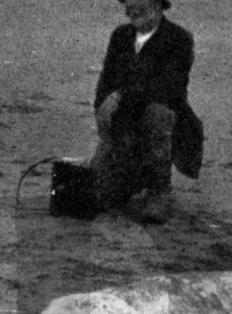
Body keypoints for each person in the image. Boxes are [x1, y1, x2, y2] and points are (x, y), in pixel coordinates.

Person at [91, 0, 203, 223]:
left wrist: (122, 95)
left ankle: (159, 191)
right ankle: (130, 178)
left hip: (165, 122)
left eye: (139, 3)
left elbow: (170, 89)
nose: (132, 9)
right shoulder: (121, 36)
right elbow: (105, 84)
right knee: (99, 193)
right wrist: (103, 113)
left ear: (158, 4)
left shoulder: (179, 39)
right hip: (124, 122)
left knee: (157, 113)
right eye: (129, 3)